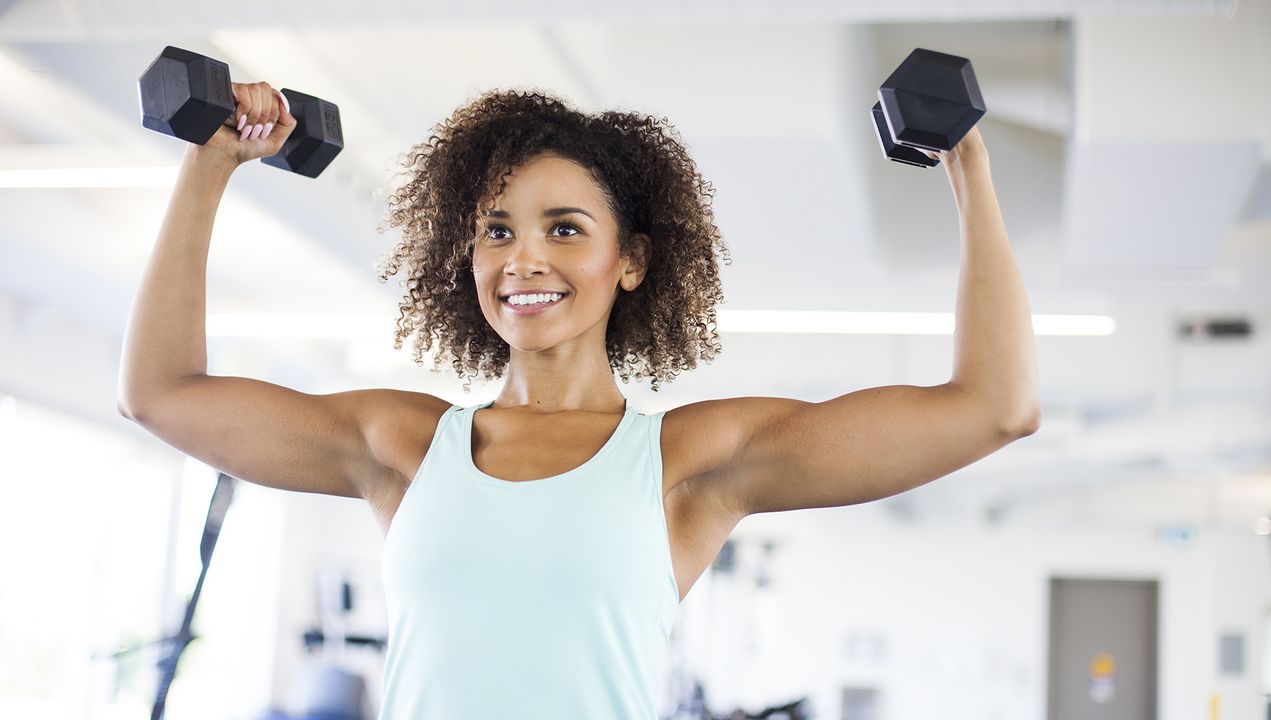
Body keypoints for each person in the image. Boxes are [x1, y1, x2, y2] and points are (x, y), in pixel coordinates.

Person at [118, 82, 1039, 719]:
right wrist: (211, 167)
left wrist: (969, 167)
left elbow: (994, 406)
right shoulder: (401, 444)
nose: (524, 258)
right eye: (497, 230)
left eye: (565, 228)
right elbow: (162, 394)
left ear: (630, 260)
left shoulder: (690, 464)